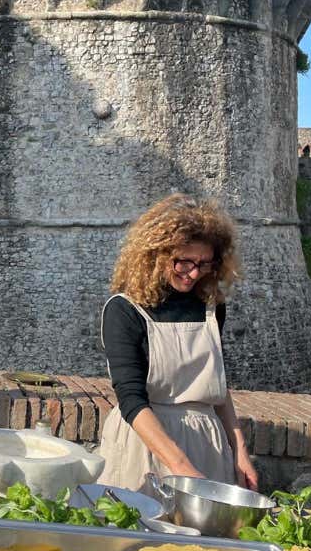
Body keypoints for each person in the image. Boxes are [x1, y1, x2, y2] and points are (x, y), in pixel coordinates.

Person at [97, 193, 259, 491]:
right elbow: (131, 399)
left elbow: (217, 389)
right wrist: (181, 466)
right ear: (156, 255)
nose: (194, 273)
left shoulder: (211, 307)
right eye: (184, 262)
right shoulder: (125, 310)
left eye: (204, 264)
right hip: (145, 445)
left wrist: (240, 452)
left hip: (207, 444)